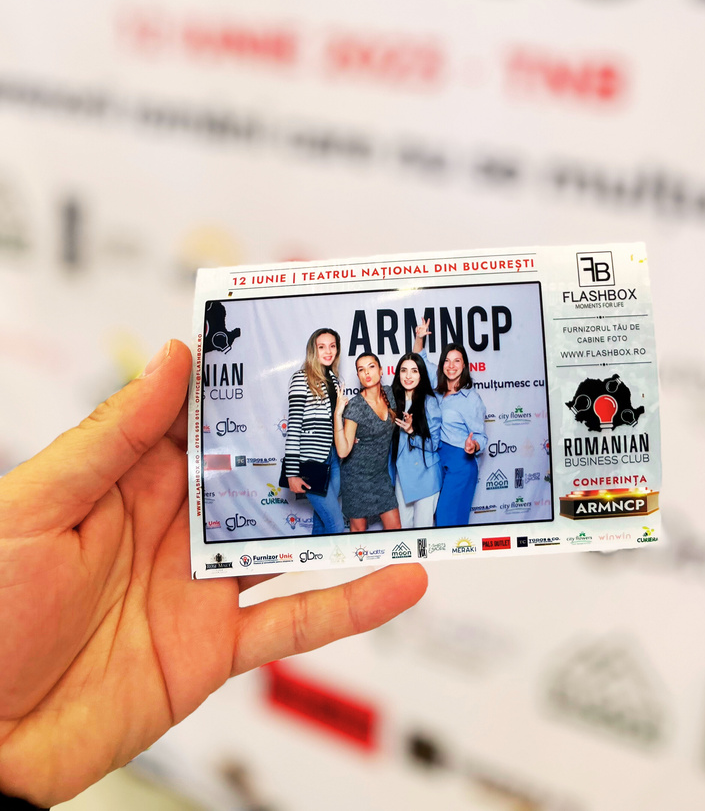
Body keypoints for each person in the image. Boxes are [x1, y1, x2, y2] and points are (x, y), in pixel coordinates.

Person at [0, 340, 426, 808]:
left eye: (338, 350)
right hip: (314, 475)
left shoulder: (361, 394)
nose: (337, 357)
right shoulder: (313, 391)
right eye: (327, 349)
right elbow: (311, 435)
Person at [413, 323, 488, 527]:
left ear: (464, 366)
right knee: (441, 520)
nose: (451, 365)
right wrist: (420, 337)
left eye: (457, 361)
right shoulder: (437, 388)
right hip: (438, 460)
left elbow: (481, 437)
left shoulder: (471, 399)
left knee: (447, 519)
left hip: (461, 462)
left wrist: (474, 446)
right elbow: (419, 360)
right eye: (447, 360)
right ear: (442, 364)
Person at [284, 328, 345, 535]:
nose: (328, 351)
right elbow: (294, 427)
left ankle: (316, 557)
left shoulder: (334, 380)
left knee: (322, 522)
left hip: (334, 459)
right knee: (336, 525)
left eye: (332, 346)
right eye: (322, 347)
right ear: (313, 350)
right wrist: (292, 473)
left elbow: (334, 420)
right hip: (311, 462)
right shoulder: (301, 379)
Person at [334, 353, 402, 532]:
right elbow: (343, 451)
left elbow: (414, 374)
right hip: (356, 478)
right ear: (358, 376)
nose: (367, 372)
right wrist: (338, 415)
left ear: (381, 370)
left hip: (380, 476)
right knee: (359, 533)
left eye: (371, 366)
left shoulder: (389, 394)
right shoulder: (355, 406)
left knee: (395, 528)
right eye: (361, 369)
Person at [389, 352, 442, 528]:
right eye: (404, 370)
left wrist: (412, 431)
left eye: (414, 371)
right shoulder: (392, 401)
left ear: (421, 374)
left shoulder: (429, 402)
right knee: (403, 532)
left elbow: (434, 444)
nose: (408, 376)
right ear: (398, 374)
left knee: (422, 533)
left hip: (426, 476)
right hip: (402, 478)